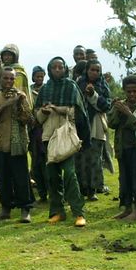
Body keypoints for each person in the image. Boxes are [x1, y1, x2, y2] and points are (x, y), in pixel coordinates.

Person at [35, 56, 89, 227]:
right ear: (50, 70)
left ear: (65, 69)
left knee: (70, 174)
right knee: (52, 175)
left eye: (60, 67)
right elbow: (37, 117)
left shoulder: (71, 87)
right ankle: (58, 211)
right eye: (54, 67)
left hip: (66, 135)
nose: (57, 70)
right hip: (49, 137)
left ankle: (78, 212)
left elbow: (76, 112)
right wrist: (44, 111)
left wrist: (58, 109)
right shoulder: (45, 89)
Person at [0, 67, 34, 222]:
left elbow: (28, 120)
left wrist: (19, 104)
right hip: (0, 143)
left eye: (12, 78)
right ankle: (5, 209)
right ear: (0, 79)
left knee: (21, 177)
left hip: (17, 143)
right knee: (3, 178)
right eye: (6, 78)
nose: (9, 81)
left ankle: (25, 210)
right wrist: (7, 104)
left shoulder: (22, 96)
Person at [107, 75, 136, 221]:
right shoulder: (120, 105)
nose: (132, 95)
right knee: (124, 179)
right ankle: (127, 208)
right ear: (124, 91)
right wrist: (116, 110)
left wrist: (127, 113)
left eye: (135, 91)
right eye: (129, 91)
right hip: (122, 147)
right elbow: (111, 124)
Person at [75, 60, 111, 201]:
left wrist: (93, 95)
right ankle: (80, 189)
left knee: (94, 159)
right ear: (87, 70)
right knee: (79, 159)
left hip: (96, 126)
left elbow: (106, 105)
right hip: (80, 126)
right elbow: (75, 103)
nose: (94, 73)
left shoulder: (103, 86)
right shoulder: (79, 84)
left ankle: (93, 190)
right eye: (92, 70)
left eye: (97, 70)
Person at [29, 65, 48, 202]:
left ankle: (51, 191)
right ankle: (41, 192)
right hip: (34, 131)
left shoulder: (48, 90)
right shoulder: (29, 92)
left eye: (41, 76)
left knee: (47, 162)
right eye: (37, 76)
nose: (39, 78)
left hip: (47, 129)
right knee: (36, 162)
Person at [0, 44, 33, 108]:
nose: (7, 57)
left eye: (9, 55)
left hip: (17, 105)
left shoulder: (19, 73)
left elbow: (18, 92)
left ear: (15, 57)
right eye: (5, 55)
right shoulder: (0, 71)